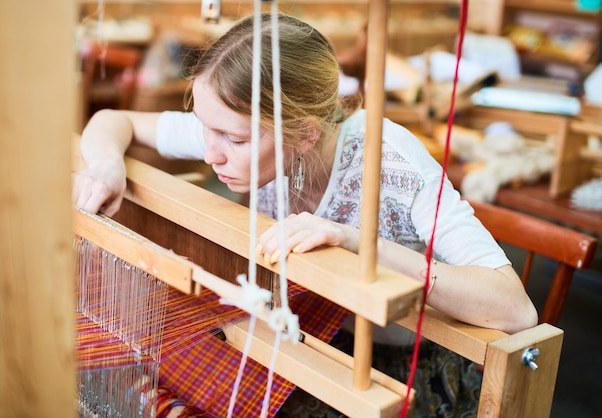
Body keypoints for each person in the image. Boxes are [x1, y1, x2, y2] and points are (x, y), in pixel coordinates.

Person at [73, 12, 538, 418]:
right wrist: (106, 166)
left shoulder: (392, 161)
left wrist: (356, 244)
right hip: (303, 337)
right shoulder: (241, 132)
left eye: (233, 141)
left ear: (306, 134)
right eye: (206, 131)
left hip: (396, 374)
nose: (211, 154)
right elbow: (114, 121)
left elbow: (515, 309)